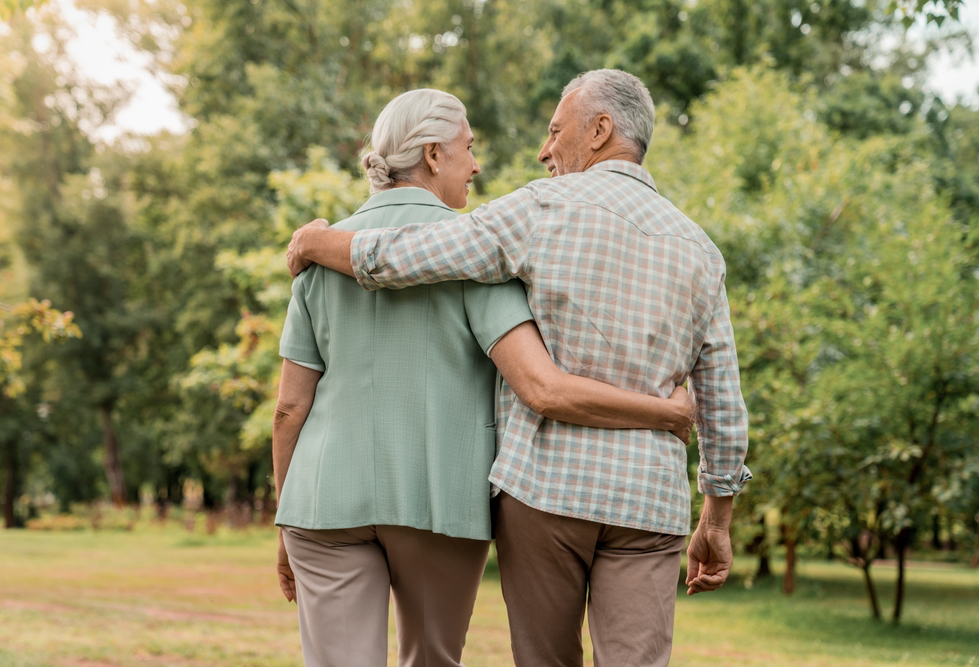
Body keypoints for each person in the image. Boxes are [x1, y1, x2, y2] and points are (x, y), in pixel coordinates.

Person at [286, 70, 751, 667]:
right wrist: (717, 514)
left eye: (556, 132)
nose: (543, 150)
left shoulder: (538, 209)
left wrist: (319, 244)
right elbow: (723, 404)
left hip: (545, 491)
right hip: (649, 499)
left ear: (600, 130)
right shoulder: (700, 250)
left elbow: (415, 253)